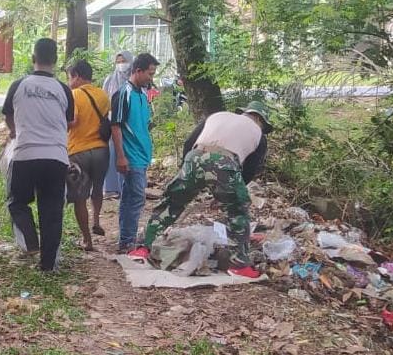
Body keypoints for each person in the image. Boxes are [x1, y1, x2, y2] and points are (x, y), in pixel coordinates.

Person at [141, 100, 274, 278]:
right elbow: (250, 170)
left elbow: (189, 143)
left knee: (171, 202)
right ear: (259, 118)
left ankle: (145, 247)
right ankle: (239, 265)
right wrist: (227, 193)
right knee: (238, 212)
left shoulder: (217, 116)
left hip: (194, 156)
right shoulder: (258, 133)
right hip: (225, 163)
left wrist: (185, 169)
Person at [2, 38, 74, 272]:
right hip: (56, 157)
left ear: (33, 59)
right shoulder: (64, 89)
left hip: (26, 154)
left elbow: (9, 116)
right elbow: (70, 122)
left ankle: (31, 243)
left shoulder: (18, 85)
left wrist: (15, 131)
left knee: (17, 201)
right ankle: (47, 265)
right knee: (52, 210)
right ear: (55, 61)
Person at [111, 52, 160, 253]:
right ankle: (127, 241)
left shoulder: (142, 95)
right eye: (149, 73)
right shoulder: (124, 93)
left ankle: (126, 239)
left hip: (142, 155)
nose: (151, 77)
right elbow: (116, 126)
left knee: (130, 197)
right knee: (136, 198)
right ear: (138, 71)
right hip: (131, 157)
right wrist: (121, 156)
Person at [65, 59, 110, 251]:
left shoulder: (73, 94)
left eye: (69, 77)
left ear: (76, 76)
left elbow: (72, 121)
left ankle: (87, 239)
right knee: (98, 188)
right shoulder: (102, 94)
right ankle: (97, 219)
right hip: (101, 150)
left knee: (79, 196)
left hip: (78, 152)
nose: (68, 82)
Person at [102, 51, 133, 197]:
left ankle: (126, 187)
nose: (121, 64)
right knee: (113, 152)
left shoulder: (134, 81)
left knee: (128, 153)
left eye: (124, 61)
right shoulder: (110, 80)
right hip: (112, 121)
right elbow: (104, 99)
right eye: (118, 61)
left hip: (130, 123)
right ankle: (111, 188)